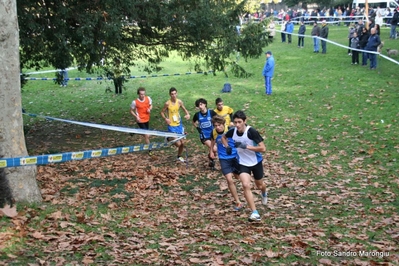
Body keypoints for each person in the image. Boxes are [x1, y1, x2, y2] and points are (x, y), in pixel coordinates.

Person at [222, 110, 268, 222]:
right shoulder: (232, 131)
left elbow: (263, 148)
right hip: (243, 163)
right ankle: (255, 212)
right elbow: (223, 137)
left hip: (255, 162)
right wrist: (227, 146)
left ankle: (264, 192)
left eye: (239, 122)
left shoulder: (251, 131)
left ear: (245, 121)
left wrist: (246, 147)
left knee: (259, 185)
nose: (237, 125)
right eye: (235, 122)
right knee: (245, 184)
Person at [160, 87, 190, 162]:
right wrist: (166, 119)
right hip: (171, 125)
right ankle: (168, 138)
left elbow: (184, 109)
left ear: (177, 93)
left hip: (178, 124)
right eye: (172, 94)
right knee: (178, 144)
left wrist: (187, 114)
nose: (173, 95)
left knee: (182, 143)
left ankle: (179, 156)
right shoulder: (167, 103)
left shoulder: (179, 102)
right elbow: (162, 112)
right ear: (170, 95)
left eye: (175, 94)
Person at [192, 98, 217, 169]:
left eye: (201, 104)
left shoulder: (211, 112)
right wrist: (197, 128)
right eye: (198, 105)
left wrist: (216, 126)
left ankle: (211, 162)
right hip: (204, 136)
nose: (200, 106)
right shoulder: (197, 115)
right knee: (214, 149)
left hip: (213, 134)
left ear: (205, 104)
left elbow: (218, 119)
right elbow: (193, 122)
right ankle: (211, 159)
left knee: (212, 150)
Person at [130, 87, 153, 155]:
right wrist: (136, 116)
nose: (142, 96)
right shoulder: (135, 102)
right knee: (147, 135)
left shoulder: (148, 98)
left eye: (143, 94)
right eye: (141, 94)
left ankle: (136, 131)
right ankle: (150, 150)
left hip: (147, 119)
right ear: (138, 94)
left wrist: (149, 109)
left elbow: (151, 105)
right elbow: (131, 111)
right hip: (140, 120)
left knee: (147, 135)